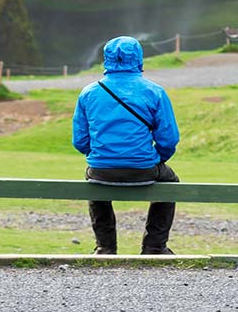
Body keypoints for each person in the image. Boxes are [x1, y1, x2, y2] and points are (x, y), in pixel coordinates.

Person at [71, 35, 181, 254]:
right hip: (144, 169)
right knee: (171, 182)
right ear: (139, 58)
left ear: (107, 59)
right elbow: (169, 139)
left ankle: (105, 247)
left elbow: (80, 140)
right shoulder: (154, 91)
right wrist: (156, 158)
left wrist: (100, 156)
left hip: (102, 169)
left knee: (93, 181)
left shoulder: (89, 92)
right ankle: (155, 246)